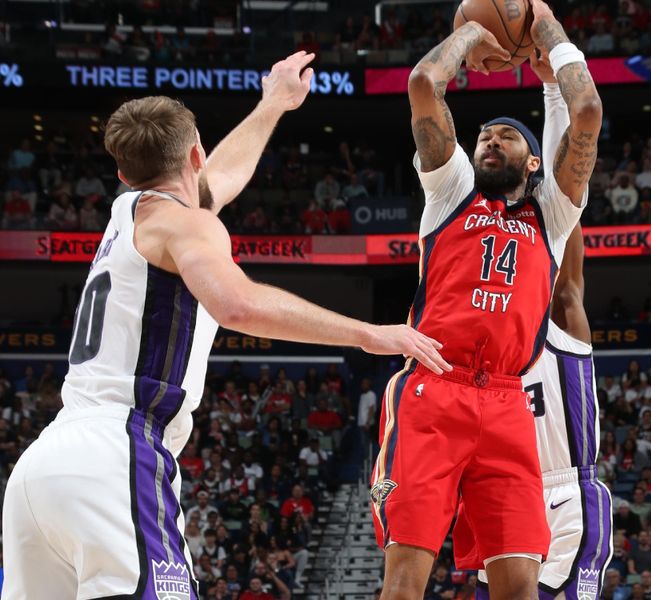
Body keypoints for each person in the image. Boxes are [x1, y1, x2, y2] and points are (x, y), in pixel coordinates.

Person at [1, 51, 449, 600]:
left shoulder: (129, 212)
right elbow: (236, 305)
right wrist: (370, 333)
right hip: (117, 453)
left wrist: (273, 103)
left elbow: (215, 183)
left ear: (123, 173)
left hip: (40, 470)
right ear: (195, 152)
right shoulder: (187, 226)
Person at [373, 1, 602, 597]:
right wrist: (474, 31)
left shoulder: (550, 215)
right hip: (434, 387)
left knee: (519, 587)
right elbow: (425, 84)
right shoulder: (450, 192)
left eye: (505, 135)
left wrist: (544, 26)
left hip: (505, 403)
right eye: (482, 135)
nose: (488, 141)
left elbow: (587, 111)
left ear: (534, 162)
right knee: (405, 578)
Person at [469, 224, 614, 600]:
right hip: (508, 495)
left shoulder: (561, 324)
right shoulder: (488, 345)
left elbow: (567, 285)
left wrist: (562, 197)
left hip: (567, 494)